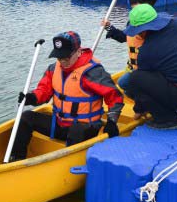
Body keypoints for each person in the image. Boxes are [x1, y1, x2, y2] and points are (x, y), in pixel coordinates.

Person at [9, 31, 124, 162]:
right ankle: (15, 159)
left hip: (85, 127)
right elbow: (44, 90)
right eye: (59, 57)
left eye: (66, 57)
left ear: (78, 51)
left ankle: (66, 163)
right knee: (26, 118)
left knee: (76, 131)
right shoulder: (53, 69)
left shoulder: (92, 72)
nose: (63, 61)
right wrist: (32, 98)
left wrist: (112, 121)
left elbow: (114, 95)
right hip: (59, 123)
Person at [102, 0, 158, 91]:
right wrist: (109, 27)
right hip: (132, 68)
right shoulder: (132, 22)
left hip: (148, 72)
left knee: (122, 82)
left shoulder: (156, 26)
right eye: (133, 8)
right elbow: (124, 37)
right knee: (123, 83)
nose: (134, 11)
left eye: (136, 7)